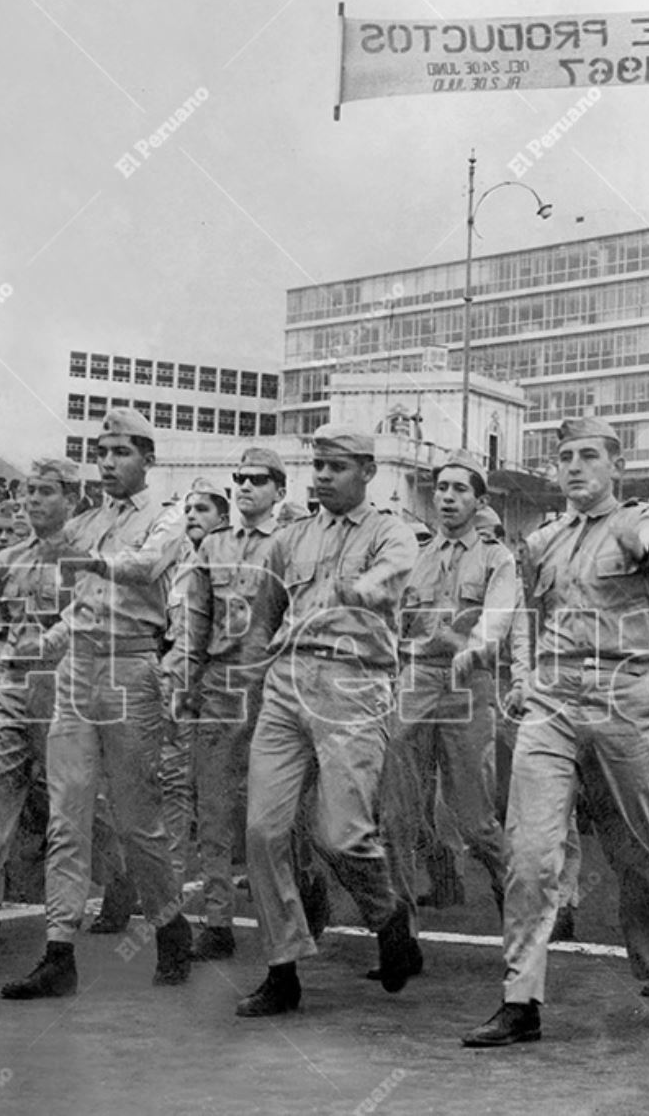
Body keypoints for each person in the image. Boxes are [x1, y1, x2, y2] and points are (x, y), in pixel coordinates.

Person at [461, 416, 649, 1047]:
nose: (575, 467)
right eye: (564, 457)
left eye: (590, 456)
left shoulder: (640, 521)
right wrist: (524, 677)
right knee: (530, 856)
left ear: (616, 465)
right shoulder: (545, 539)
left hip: (624, 699)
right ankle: (520, 1001)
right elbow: (532, 615)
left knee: (637, 853)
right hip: (553, 703)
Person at [0, 407, 194, 1001]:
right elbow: (79, 605)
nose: (108, 462)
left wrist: (91, 562)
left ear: (147, 459)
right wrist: (48, 644)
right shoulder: (86, 524)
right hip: (79, 667)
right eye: (102, 452)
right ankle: (59, 948)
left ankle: (168, 921)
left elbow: (144, 568)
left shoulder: (168, 519)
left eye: (121, 452)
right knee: (67, 815)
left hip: (131, 667)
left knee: (138, 819)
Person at [236, 424, 421, 1019]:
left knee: (340, 833)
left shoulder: (390, 530)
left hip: (354, 683)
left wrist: (359, 590)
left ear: (367, 471)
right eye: (316, 465)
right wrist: (255, 675)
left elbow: (391, 574)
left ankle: (387, 914)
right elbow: (264, 613)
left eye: (335, 467)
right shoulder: (289, 539)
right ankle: (282, 967)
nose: (321, 476)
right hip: (288, 684)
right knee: (264, 832)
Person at [172, 448, 289, 960]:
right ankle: (217, 919)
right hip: (220, 682)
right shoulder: (213, 546)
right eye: (239, 479)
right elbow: (196, 618)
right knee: (214, 803)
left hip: (274, 683)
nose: (244, 487)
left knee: (277, 810)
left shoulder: (292, 541)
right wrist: (187, 678)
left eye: (257, 480)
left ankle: (295, 905)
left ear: (278, 492)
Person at [391, 451, 518, 917]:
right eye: (441, 488)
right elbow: (393, 621)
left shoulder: (496, 559)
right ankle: (400, 930)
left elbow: (497, 619)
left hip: (468, 685)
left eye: (459, 489)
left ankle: (516, 892)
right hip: (416, 680)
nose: (447, 497)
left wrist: (471, 644)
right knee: (398, 812)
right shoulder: (413, 556)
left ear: (478, 500)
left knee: (474, 819)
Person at [0, 457, 76, 932]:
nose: (33, 500)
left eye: (46, 491)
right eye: (30, 491)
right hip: (11, 686)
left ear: (72, 499)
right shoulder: (5, 562)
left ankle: (123, 881)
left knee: (73, 800)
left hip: (67, 689)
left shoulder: (88, 558)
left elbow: (90, 620)